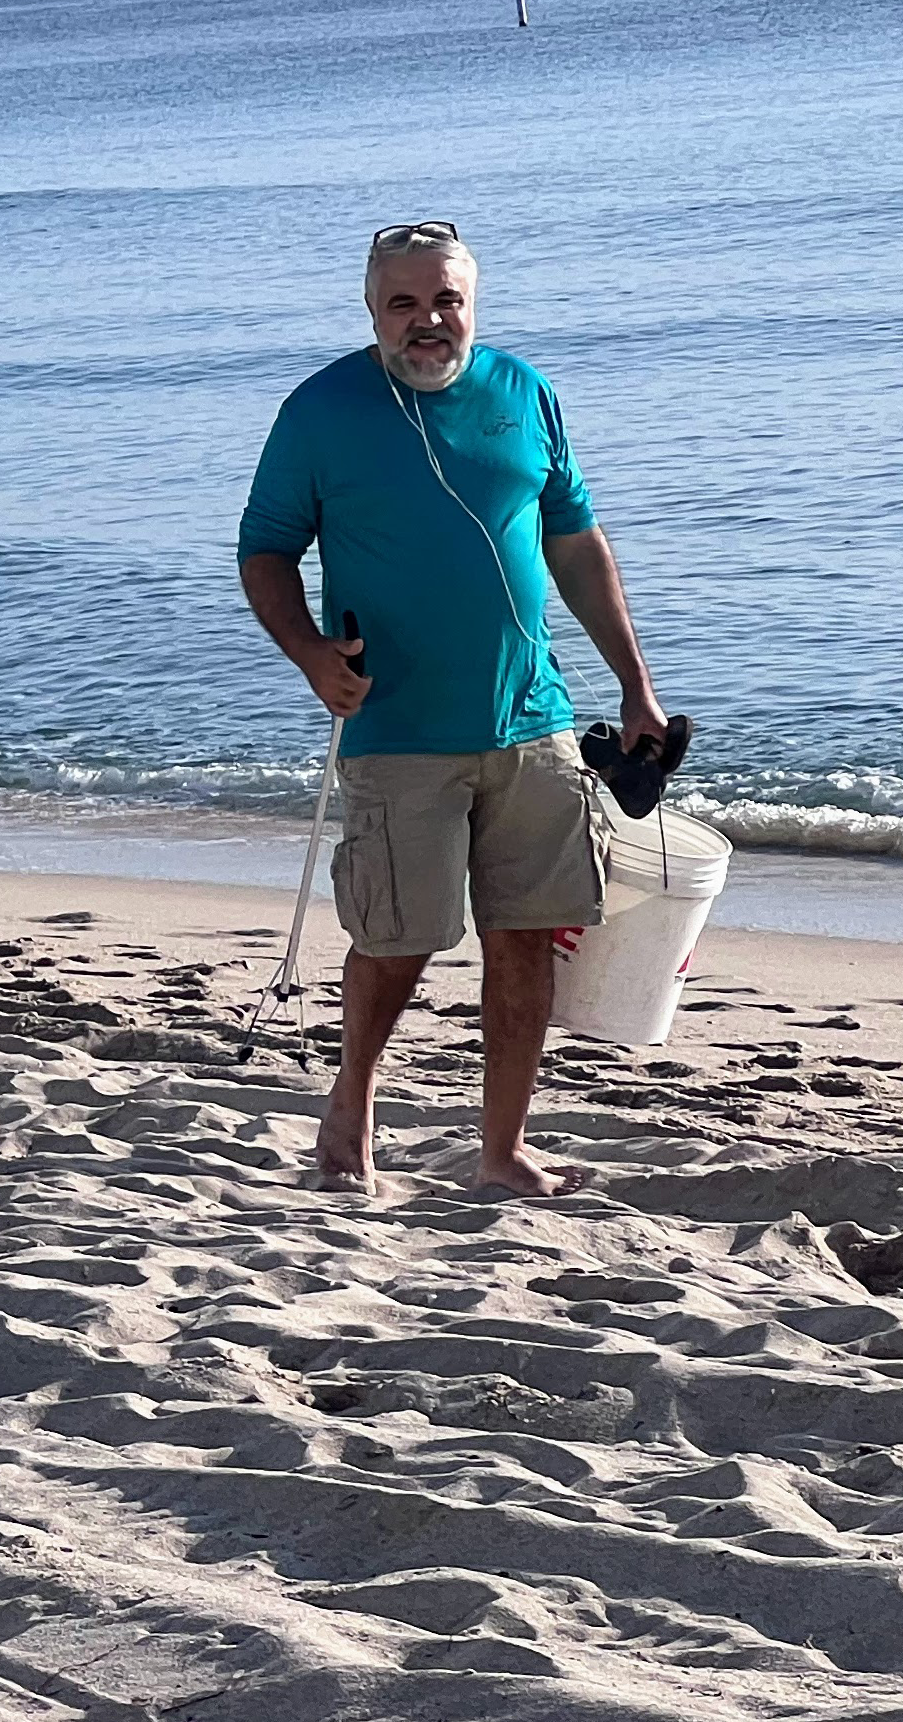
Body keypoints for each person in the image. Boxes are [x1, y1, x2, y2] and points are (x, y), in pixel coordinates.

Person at [237, 221, 668, 1197]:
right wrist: (309, 655)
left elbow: (575, 546)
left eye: (445, 300)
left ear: (470, 303)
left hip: (534, 720)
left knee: (527, 938)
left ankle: (502, 1148)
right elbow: (263, 549)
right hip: (396, 729)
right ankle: (351, 1107)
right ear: (372, 310)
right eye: (404, 303)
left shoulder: (525, 393)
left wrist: (635, 686)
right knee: (397, 940)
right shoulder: (319, 412)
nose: (428, 321)